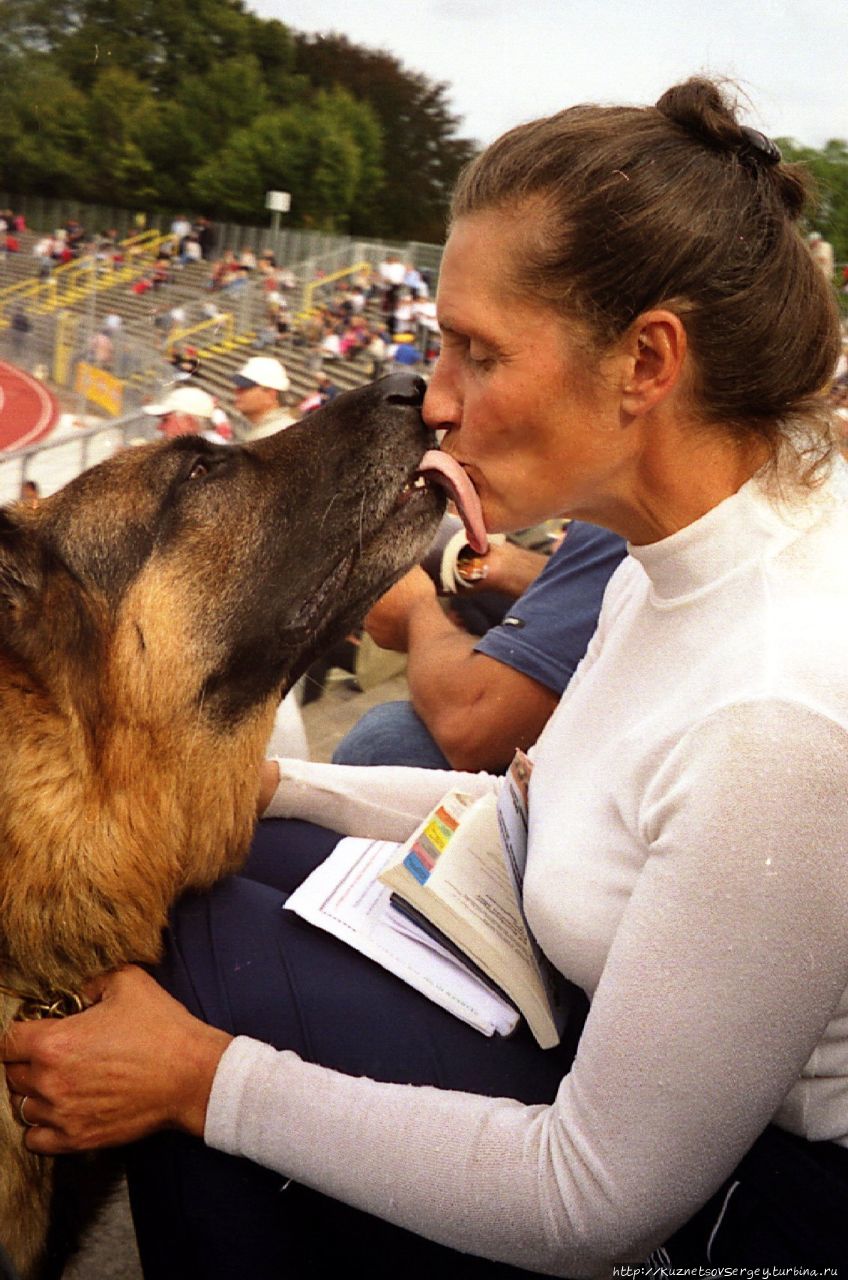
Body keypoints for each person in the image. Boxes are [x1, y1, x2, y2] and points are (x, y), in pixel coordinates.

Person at [4, 78, 848, 1275]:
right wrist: (283, 791)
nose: (433, 399)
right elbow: (541, 808)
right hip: (598, 1031)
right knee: (212, 892)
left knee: (200, 983)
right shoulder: (688, 539)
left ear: (645, 362)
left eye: (477, 351)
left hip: (756, 1207)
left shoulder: (781, 708)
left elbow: (591, 1198)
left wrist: (199, 1079)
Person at [334, 523, 626, 771]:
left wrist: (414, 612)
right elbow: (600, 581)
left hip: (606, 776)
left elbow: (471, 725)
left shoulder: (615, 522)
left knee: (382, 741)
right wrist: (497, 566)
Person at [231, 355, 295, 441]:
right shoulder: (271, 430)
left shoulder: (278, 435)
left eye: (245, 387)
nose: (236, 391)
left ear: (270, 395)